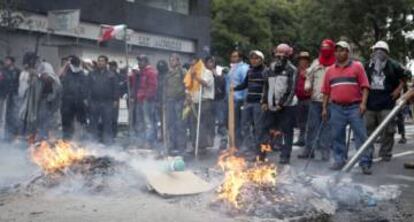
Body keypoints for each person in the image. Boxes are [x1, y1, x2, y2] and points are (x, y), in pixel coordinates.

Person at [321, 41, 373, 175]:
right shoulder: (329, 70)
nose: (339, 53)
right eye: (337, 50)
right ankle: (339, 160)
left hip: (355, 107)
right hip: (336, 107)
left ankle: (365, 162)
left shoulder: (357, 66)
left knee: (361, 135)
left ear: (348, 52)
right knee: (337, 135)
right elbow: (326, 92)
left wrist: (363, 104)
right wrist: (324, 108)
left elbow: (365, 87)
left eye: (342, 50)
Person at [364, 41, 411, 162]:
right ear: (373, 52)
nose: (379, 53)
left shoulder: (394, 65)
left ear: (387, 53)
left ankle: (385, 153)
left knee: (388, 130)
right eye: (376, 50)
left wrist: (398, 89)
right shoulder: (367, 65)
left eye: (382, 50)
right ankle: (367, 152)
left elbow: (406, 75)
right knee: (367, 129)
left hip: (387, 103)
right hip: (370, 104)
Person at [299, 39, 336, 160]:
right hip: (315, 100)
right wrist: (307, 86)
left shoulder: (335, 65)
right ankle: (308, 150)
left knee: (327, 127)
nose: (325, 51)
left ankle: (325, 151)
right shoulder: (316, 63)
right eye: (323, 48)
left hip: (330, 101)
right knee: (312, 126)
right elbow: (308, 77)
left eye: (327, 48)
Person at [260, 44, 298, 164]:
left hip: (286, 107)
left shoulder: (292, 69)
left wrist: (282, 104)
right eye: (278, 54)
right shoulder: (269, 69)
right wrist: (264, 101)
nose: (279, 57)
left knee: (287, 131)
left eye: (283, 54)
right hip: (271, 106)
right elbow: (265, 87)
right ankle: (262, 153)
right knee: (266, 130)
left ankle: (285, 156)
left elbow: (291, 90)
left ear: (287, 55)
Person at [19, 53, 62, 142]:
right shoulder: (31, 70)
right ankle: (34, 139)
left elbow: (50, 79)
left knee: (43, 120)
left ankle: (43, 140)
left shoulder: (45, 66)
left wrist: (37, 74)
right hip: (36, 99)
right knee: (34, 120)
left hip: (46, 98)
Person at [234, 50, 267, 155]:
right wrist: (234, 88)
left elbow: (268, 88)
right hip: (248, 102)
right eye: (252, 58)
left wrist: (265, 102)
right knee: (244, 125)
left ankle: (259, 152)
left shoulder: (266, 71)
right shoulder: (250, 71)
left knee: (259, 128)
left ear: (261, 60)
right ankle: (248, 147)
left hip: (259, 103)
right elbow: (244, 84)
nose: (254, 60)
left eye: (256, 58)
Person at [183, 56, 215, 155]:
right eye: (190, 62)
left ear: (198, 62)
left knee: (202, 125)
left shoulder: (206, 72)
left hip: (204, 102)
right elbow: (188, 86)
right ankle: (194, 145)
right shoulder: (190, 72)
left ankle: (202, 147)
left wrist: (196, 76)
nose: (192, 64)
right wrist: (187, 95)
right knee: (193, 125)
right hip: (194, 102)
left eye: (193, 62)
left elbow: (206, 84)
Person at [88, 55, 118, 144]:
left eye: (102, 61)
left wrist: (115, 100)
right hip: (94, 101)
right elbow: (87, 87)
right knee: (93, 122)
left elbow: (115, 88)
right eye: (99, 61)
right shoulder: (92, 74)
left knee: (107, 122)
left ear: (106, 63)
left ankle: (107, 141)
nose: (100, 62)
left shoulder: (111, 75)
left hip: (107, 102)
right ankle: (93, 142)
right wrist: (87, 99)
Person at [60, 55, 88, 140]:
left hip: (79, 102)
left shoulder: (82, 74)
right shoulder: (67, 72)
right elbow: (60, 76)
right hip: (67, 102)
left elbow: (87, 84)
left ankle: (80, 140)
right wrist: (66, 66)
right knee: (66, 122)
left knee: (80, 122)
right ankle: (66, 140)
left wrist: (85, 65)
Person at [163, 54, 186, 155]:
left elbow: (187, 85)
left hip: (179, 101)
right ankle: (171, 146)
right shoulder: (168, 74)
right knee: (170, 124)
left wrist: (187, 97)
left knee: (180, 124)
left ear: (178, 61)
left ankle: (181, 148)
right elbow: (165, 88)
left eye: (174, 60)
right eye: (170, 60)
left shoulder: (182, 72)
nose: (172, 62)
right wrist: (164, 101)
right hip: (170, 101)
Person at [226, 50, 249, 148]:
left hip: (239, 100)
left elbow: (246, 84)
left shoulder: (244, 68)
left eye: (235, 56)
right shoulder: (233, 68)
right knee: (233, 124)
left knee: (240, 124)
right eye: (232, 56)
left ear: (240, 57)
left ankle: (241, 146)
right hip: (231, 100)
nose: (233, 58)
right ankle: (235, 145)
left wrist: (245, 100)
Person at [135, 54, 158, 147]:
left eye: (140, 61)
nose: (139, 63)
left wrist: (146, 97)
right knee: (140, 122)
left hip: (147, 101)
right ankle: (141, 140)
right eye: (138, 61)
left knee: (148, 122)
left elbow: (153, 87)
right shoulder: (142, 72)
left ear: (145, 62)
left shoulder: (150, 72)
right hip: (140, 99)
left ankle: (149, 142)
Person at [293, 51, 312, 147]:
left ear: (308, 61)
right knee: (301, 121)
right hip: (299, 99)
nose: (302, 62)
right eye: (301, 60)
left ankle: (309, 141)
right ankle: (301, 139)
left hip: (309, 99)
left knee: (309, 121)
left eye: (305, 60)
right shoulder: (296, 72)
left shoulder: (311, 70)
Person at [2, 56, 21, 141]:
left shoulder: (17, 71)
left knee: (14, 115)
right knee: (5, 115)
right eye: (5, 60)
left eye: (7, 60)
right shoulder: (3, 71)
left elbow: (20, 83)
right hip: (5, 95)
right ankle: (6, 135)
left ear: (12, 62)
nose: (6, 62)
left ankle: (14, 135)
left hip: (15, 95)